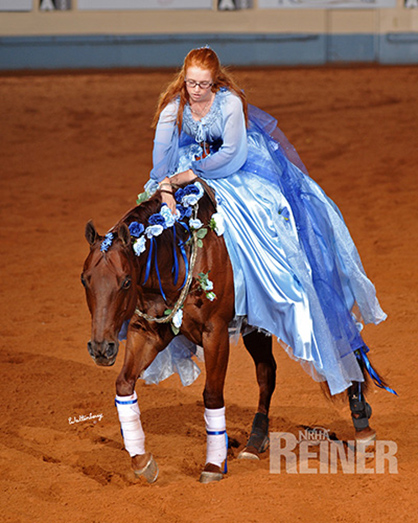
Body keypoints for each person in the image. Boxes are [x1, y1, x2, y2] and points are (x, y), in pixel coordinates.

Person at [143, 46, 387, 397]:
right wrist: (164, 187)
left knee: (263, 218)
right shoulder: (173, 107)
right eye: (191, 83)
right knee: (156, 233)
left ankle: (270, 289)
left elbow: (231, 154)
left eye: (203, 84)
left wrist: (190, 174)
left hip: (233, 170)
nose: (195, 90)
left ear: (215, 83)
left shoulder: (228, 103)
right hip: (182, 174)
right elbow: (160, 157)